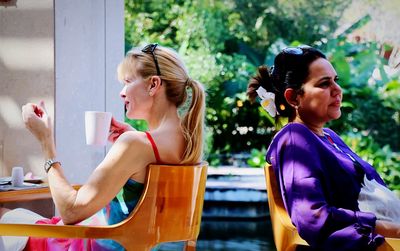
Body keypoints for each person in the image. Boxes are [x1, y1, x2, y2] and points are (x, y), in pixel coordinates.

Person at [0, 43, 205, 251]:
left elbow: (70, 213)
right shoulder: (189, 146)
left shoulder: (135, 145)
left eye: (128, 82)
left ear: (153, 85)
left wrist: (46, 141)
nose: (121, 93)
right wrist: (133, 138)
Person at [247, 46, 400, 251]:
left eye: (335, 80)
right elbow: (312, 217)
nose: (338, 90)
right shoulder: (294, 138)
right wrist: (382, 231)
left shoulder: (329, 137)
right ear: (294, 98)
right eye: (324, 83)